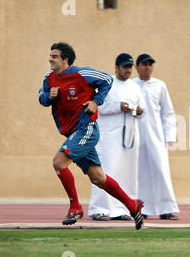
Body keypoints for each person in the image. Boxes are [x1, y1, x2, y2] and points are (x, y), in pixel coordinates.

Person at [38, 42, 144, 229]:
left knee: (58, 162)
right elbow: (42, 98)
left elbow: (107, 80)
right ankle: (132, 205)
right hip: (72, 133)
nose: (50, 59)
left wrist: (96, 102)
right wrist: (49, 96)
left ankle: (75, 207)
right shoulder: (49, 77)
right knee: (98, 178)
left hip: (86, 128)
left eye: (54, 56)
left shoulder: (82, 74)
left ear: (65, 60)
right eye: (50, 55)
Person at [88, 53, 146, 221]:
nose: (128, 70)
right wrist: (118, 106)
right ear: (117, 67)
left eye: (130, 67)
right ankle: (100, 208)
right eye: (125, 67)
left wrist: (137, 109)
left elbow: (143, 109)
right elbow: (97, 106)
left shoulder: (134, 86)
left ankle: (123, 209)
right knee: (106, 171)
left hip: (130, 137)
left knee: (128, 173)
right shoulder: (107, 84)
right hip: (108, 137)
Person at [133, 54, 180, 220]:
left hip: (156, 135)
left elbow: (168, 112)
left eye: (150, 64)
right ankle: (140, 208)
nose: (148, 67)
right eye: (144, 64)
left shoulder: (160, 86)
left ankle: (166, 208)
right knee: (138, 173)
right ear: (137, 67)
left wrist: (169, 135)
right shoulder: (131, 85)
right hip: (136, 136)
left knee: (161, 170)